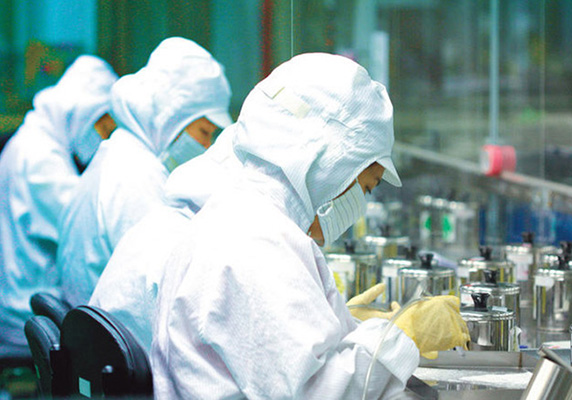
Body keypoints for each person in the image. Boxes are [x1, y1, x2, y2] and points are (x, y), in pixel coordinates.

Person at [152, 53, 468, 399]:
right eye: (365, 187)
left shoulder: (242, 216)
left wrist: (347, 323)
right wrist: (403, 334)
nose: (360, 206)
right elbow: (319, 392)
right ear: (332, 163)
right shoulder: (257, 241)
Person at [56, 37, 233, 307]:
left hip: (90, 321)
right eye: (204, 132)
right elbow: (168, 288)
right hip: (110, 328)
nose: (207, 145)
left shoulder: (121, 154)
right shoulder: (137, 178)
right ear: (171, 119)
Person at [0, 55, 117, 359]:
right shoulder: (40, 158)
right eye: (103, 126)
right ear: (80, 113)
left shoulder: (37, 142)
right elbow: (82, 230)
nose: (105, 137)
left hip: (25, 304)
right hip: (26, 317)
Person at [89, 128, 240, 353]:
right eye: (204, 132)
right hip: (129, 365)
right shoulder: (195, 248)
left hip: (100, 357)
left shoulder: (162, 219)